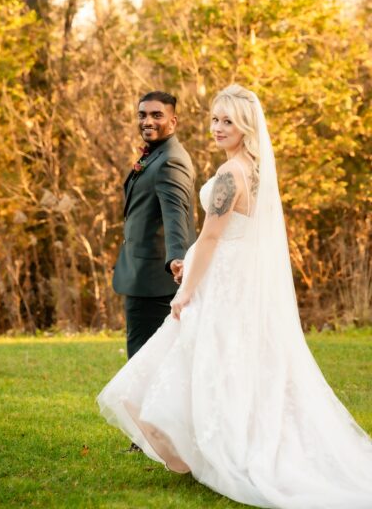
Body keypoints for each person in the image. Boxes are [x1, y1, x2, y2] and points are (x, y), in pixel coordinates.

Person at [98, 85, 372, 507]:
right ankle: (205, 443)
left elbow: (209, 238)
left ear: (246, 126)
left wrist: (185, 291)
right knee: (222, 360)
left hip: (221, 280)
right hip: (234, 277)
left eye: (228, 121)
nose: (218, 128)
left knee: (186, 361)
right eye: (215, 119)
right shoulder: (254, 170)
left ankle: (203, 449)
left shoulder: (231, 174)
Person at [113, 91, 197, 361]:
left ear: (173, 121)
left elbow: (176, 214)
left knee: (143, 362)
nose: (147, 121)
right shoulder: (156, 155)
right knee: (146, 362)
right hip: (142, 276)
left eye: (156, 115)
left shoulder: (170, 161)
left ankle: (145, 406)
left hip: (156, 282)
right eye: (142, 115)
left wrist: (177, 258)